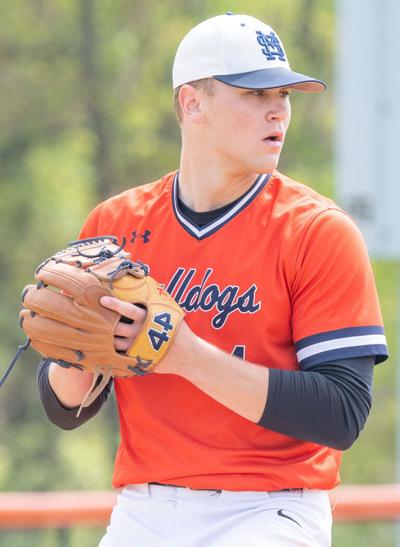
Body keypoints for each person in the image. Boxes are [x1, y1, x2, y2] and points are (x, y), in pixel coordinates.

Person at [37, 13, 388, 547]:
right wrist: (72, 356)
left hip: (271, 509)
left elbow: (341, 413)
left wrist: (185, 354)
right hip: (144, 509)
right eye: (255, 93)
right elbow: (66, 409)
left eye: (285, 94)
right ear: (191, 103)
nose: (279, 110)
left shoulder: (317, 231)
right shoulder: (116, 226)